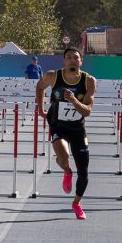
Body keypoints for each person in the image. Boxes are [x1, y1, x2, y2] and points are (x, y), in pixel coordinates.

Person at [35, 47, 97, 219]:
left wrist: (73, 100)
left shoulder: (89, 81)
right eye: (68, 57)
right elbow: (39, 87)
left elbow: (87, 111)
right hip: (58, 126)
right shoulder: (52, 76)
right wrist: (41, 109)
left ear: (81, 61)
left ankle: (76, 203)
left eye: (75, 58)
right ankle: (67, 171)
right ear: (64, 61)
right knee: (63, 158)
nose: (72, 60)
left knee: (84, 171)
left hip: (77, 128)